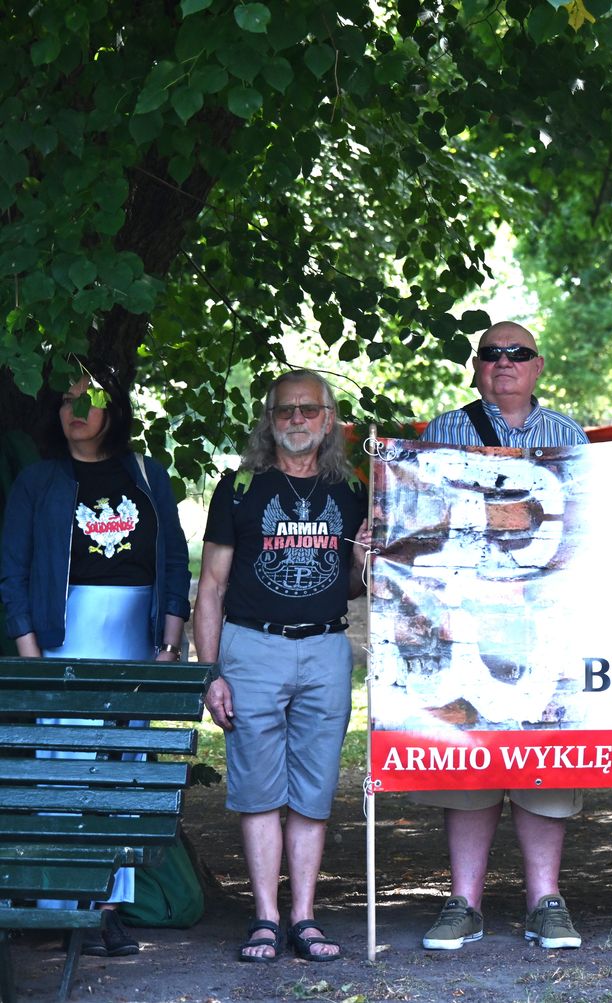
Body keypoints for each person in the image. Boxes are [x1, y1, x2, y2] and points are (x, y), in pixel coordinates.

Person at [1, 361, 190, 959]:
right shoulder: (38, 480)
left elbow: (174, 560)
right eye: (66, 401)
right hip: (63, 638)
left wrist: (168, 645)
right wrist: (32, 654)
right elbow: (13, 571)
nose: (74, 411)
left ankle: (107, 911)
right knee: (62, 767)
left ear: (116, 409)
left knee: (122, 770)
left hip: (133, 639)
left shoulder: (147, 475)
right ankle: (60, 907)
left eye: (88, 400)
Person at [412, 321, 589, 952]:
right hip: (468, 616)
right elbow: (417, 521)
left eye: (517, 353)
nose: (504, 362)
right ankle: (464, 903)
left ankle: (546, 902)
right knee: (470, 760)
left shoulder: (569, 436)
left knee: (544, 757)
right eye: (492, 354)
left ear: (538, 365)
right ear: (476, 367)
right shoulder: (445, 431)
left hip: (543, 617)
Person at [197, 370, 368, 963]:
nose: (297, 419)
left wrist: (362, 560)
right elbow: (211, 587)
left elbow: (350, 585)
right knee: (258, 790)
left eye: (309, 409)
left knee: (314, 790)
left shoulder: (351, 491)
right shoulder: (239, 488)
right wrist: (210, 672)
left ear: (329, 420)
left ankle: (304, 918)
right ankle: (266, 918)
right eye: (285, 410)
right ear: (269, 421)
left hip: (325, 649)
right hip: (253, 648)